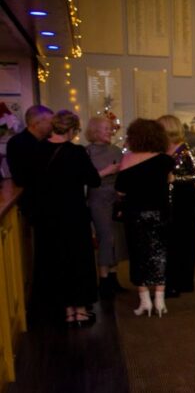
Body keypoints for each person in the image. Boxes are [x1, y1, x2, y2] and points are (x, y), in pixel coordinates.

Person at [31, 111, 101, 326]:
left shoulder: (37, 150)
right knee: (77, 261)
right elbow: (94, 180)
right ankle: (80, 311)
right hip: (73, 214)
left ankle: (65, 311)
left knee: (55, 261)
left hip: (46, 217)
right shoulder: (76, 152)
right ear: (71, 130)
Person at [116, 119, 174, 317]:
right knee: (160, 253)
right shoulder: (166, 160)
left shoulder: (127, 160)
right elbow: (170, 183)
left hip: (135, 214)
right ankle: (160, 301)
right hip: (160, 212)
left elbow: (120, 190)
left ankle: (145, 301)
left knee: (138, 253)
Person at [157, 114, 195, 297]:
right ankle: (170, 280)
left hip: (185, 199)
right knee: (169, 241)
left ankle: (183, 281)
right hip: (166, 200)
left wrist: (177, 179)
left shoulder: (186, 149)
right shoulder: (159, 150)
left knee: (184, 240)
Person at [84, 116, 126, 298]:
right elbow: (86, 178)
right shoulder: (87, 152)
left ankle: (114, 277)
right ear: (94, 131)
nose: (110, 131)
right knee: (105, 237)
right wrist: (106, 172)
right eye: (106, 129)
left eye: (111, 128)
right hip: (98, 198)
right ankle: (104, 280)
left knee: (116, 237)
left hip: (115, 198)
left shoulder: (117, 150)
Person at [6, 104, 54, 215]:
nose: (53, 126)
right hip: (33, 203)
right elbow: (22, 177)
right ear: (36, 124)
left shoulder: (47, 143)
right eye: (50, 122)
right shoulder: (17, 143)